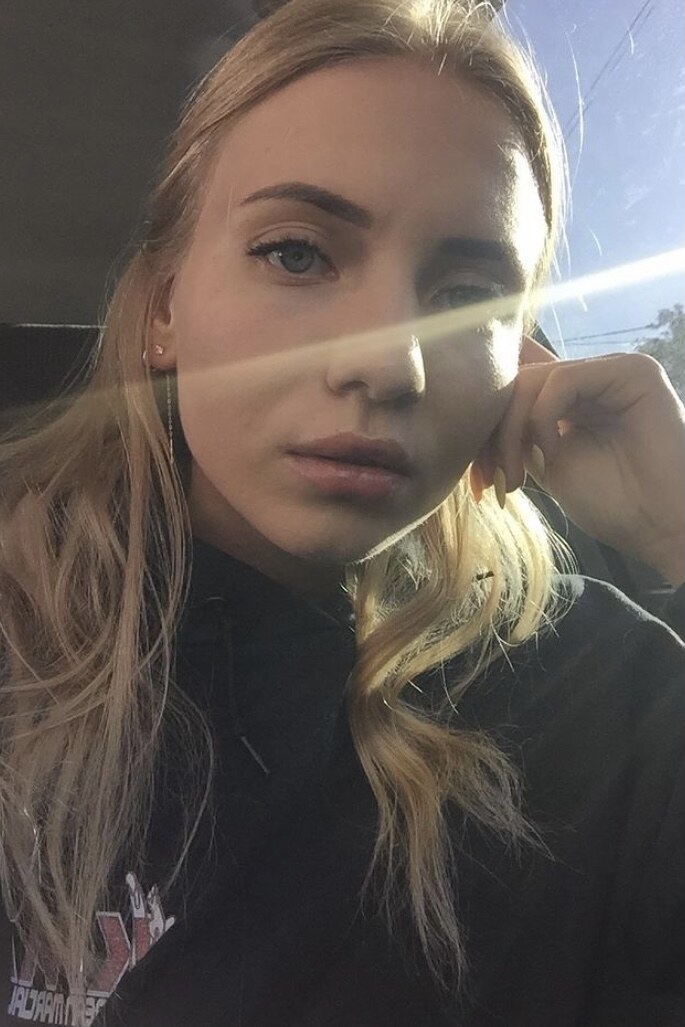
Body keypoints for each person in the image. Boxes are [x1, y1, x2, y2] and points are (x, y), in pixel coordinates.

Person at [0, 0, 684, 1024]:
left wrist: (678, 532)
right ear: (164, 308)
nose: (390, 362)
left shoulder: (596, 691)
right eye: (296, 253)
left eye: (467, 298)